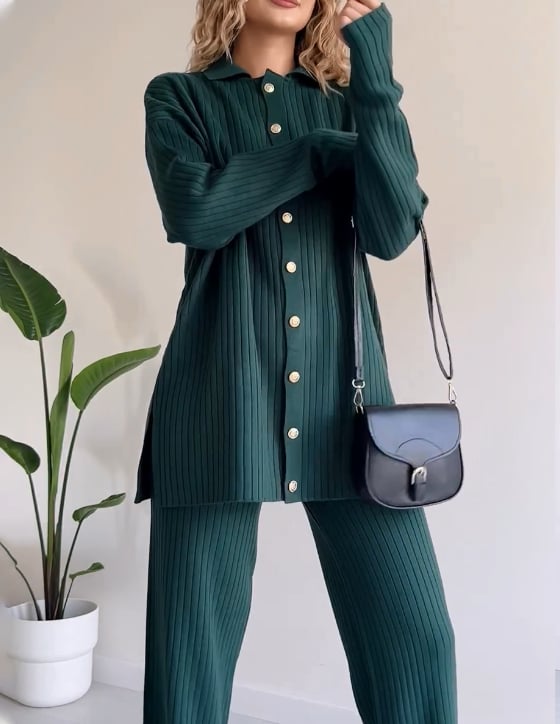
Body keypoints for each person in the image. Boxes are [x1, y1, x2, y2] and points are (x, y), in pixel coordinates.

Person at [134, 0, 457, 722]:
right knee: (190, 662)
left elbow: (393, 230)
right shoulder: (179, 98)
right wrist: (315, 154)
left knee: (417, 641)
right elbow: (195, 212)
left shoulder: (348, 107)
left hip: (348, 403)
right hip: (218, 398)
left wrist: (374, 76)